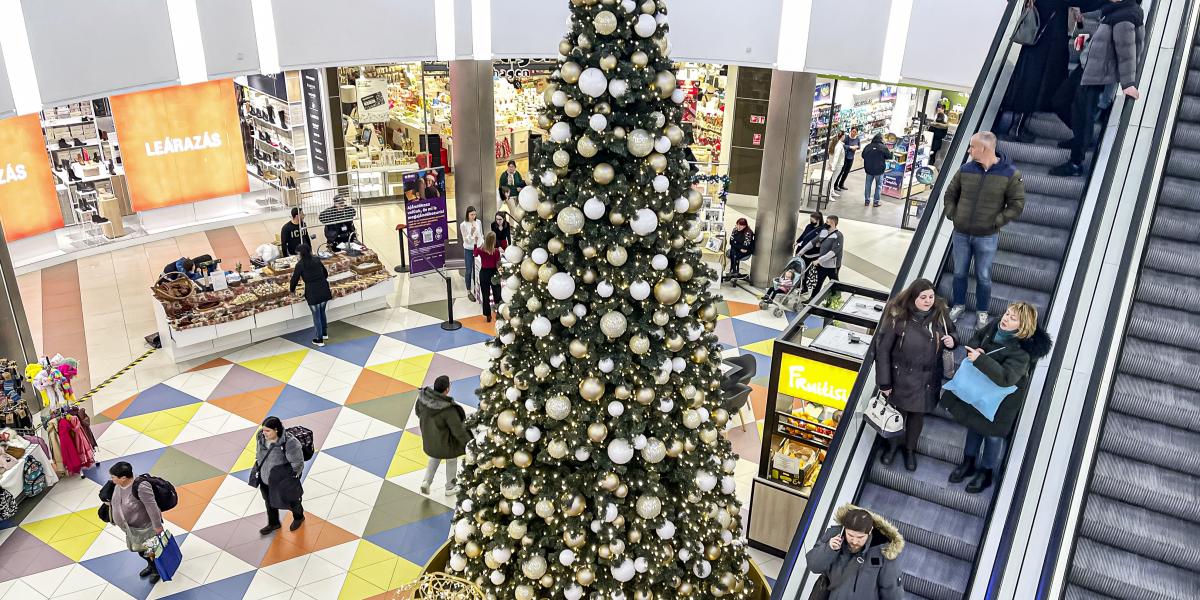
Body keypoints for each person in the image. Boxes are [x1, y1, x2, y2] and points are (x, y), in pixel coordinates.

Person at [941, 302, 1052, 494]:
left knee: (992, 436)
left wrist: (981, 359)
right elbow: (976, 338)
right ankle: (968, 462)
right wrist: (976, 350)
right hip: (980, 389)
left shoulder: (1022, 352)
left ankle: (986, 473)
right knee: (973, 425)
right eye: (1007, 313)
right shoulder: (995, 324)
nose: (1006, 319)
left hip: (1001, 401)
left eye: (1012, 318)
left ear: (1023, 326)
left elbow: (1006, 378)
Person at [1051, 0, 1145, 176]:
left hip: (1099, 74)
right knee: (1060, 101)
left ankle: (1075, 164)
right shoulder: (1112, 10)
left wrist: (1128, 83)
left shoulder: (1126, 16)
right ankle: (1082, 137)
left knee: (1082, 113)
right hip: (1087, 66)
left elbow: (1127, 53)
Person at [873, 279, 957, 471]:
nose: (928, 301)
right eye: (923, 297)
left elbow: (953, 333)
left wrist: (953, 340)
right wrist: (884, 383)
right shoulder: (898, 316)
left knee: (917, 417)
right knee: (897, 415)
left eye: (931, 296)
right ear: (913, 298)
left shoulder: (940, 314)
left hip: (928, 379)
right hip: (902, 377)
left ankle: (910, 450)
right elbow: (883, 351)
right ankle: (892, 447)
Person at [943, 132, 1025, 326]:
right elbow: (950, 193)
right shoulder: (965, 169)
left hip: (987, 236)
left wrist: (997, 221)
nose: (969, 150)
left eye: (972, 147)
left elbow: (1017, 204)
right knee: (959, 273)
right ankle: (959, 306)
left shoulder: (1010, 174)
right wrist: (953, 214)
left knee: (984, 276)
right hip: (961, 233)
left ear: (985, 149)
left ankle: (982, 312)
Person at [806, 504, 905, 600]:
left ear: (870, 531)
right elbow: (814, 566)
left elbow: (892, 591)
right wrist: (829, 548)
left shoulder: (884, 551)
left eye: (860, 537)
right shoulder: (833, 536)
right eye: (850, 535)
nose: (854, 541)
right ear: (844, 529)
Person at [107, 462, 165, 584]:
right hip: (132, 529)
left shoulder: (141, 487)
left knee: (150, 550)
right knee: (141, 551)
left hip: (145, 528)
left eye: (113, 477)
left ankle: (156, 569)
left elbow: (152, 508)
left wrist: (157, 526)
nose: (111, 480)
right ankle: (151, 565)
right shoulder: (119, 485)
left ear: (123, 478)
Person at [416, 375, 469, 496]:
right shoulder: (448, 409)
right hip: (446, 441)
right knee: (451, 459)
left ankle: (426, 482)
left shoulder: (423, 398)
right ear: (447, 389)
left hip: (430, 438)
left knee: (435, 456)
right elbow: (458, 431)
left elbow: (418, 412)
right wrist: (468, 443)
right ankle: (450, 487)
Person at [253, 416, 306, 534]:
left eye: (267, 431)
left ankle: (299, 517)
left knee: (292, 501)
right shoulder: (260, 437)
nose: (264, 433)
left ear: (276, 430)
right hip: (265, 477)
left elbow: (298, 463)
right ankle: (274, 523)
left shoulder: (290, 442)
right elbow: (259, 453)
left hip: (283, 480)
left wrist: (289, 480)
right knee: (269, 501)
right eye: (263, 430)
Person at [289, 244, 332, 347]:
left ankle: (319, 339)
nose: (297, 255)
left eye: (298, 253)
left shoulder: (300, 264)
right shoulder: (316, 259)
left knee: (316, 315)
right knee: (322, 311)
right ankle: (324, 333)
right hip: (323, 288)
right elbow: (325, 273)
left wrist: (292, 290)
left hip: (312, 291)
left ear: (301, 253)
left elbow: (294, 279)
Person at [810, 215, 844, 295]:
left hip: (832, 266)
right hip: (822, 264)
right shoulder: (824, 232)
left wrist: (818, 260)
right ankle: (812, 298)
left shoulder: (838, 236)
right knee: (818, 282)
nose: (826, 223)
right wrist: (802, 251)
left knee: (834, 283)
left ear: (833, 223)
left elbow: (832, 253)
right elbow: (813, 241)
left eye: (827, 222)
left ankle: (836, 298)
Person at [474, 232, 503, 322]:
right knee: (497, 294)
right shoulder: (497, 252)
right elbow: (498, 263)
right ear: (494, 241)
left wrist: (475, 243)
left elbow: (475, 254)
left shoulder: (481, 250)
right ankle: (499, 312)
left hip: (484, 273)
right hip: (494, 273)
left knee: (485, 295)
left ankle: (488, 315)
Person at [459, 206, 484, 302]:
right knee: (469, 270)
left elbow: (481, 234)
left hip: (478, 248)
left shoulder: (478, 222)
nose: (473, 216)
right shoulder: (463, 225)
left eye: (474, 214)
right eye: (471, 214)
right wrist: (471, 233)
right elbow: (466, 240)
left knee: (478, 269)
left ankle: (477, 288)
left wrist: (481, 243)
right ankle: (468, 291)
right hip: (469, 249)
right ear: (467, 215)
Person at [861, 134, 891, 207]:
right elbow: (889, 156)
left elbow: (863, 155)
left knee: (868, 185)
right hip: (879, 170)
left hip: (869, 169)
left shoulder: (868, 146)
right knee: (878, 186)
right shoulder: (883, 147)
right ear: (881, 139)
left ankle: (867, 201)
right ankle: (876, 202)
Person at [833, 127, 861, 192]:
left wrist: (856, 147)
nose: (853, 133)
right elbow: (842, 145)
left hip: (851, 157)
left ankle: (841, 184)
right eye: (852, 131)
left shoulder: (857, 139)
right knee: (841, 171)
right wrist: (850, 147)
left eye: (855, 132)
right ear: (850, 131)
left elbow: (859, 146)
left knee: (846, 172)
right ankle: (835, 185)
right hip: (845, 157)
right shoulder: (846, 138)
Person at [825, 135, 845, 200]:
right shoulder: (839, 146)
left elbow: (831, 156)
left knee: (832, 180)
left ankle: (832, 192)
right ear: (841, 137)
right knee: (832, 180)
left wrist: (831, 164)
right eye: (844, 135)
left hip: (832, 165)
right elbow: (836, 157)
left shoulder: (833, 145)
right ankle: (829, 195)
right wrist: (833, 167)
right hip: (837, 166)